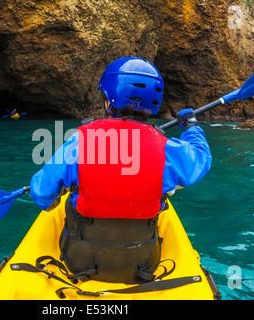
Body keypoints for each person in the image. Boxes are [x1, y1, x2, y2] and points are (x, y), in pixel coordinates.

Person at [30, 57, 212, 284]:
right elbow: (202, 160)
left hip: (79, 261)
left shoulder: (80, 142)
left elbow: (42, 194)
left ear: (108, 100)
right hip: (144, 263)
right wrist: (192, 127)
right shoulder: (167, 148)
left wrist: (51, 190)